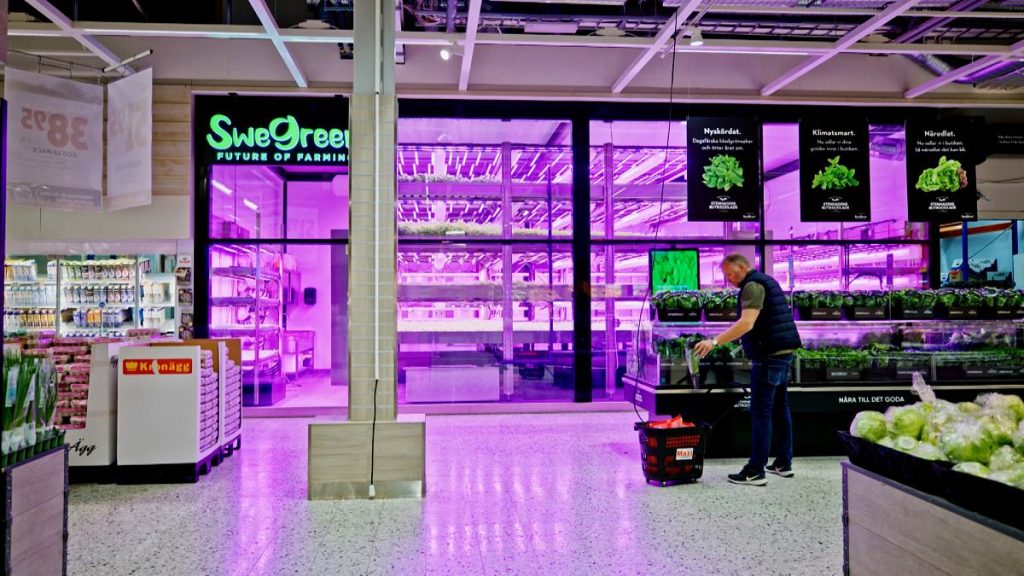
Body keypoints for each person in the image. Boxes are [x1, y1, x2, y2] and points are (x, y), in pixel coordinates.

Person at [693, 253, 802, 486]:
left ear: (742, 267)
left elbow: (747, 323)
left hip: (768, 357)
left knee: (761, 413)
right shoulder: (767, 281)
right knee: (780, 409)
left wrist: (714, 342)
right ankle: (784, 462)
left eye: (730, 274)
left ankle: (755, 470)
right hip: (783, 353)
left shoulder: (752, 286)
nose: (729, 279)